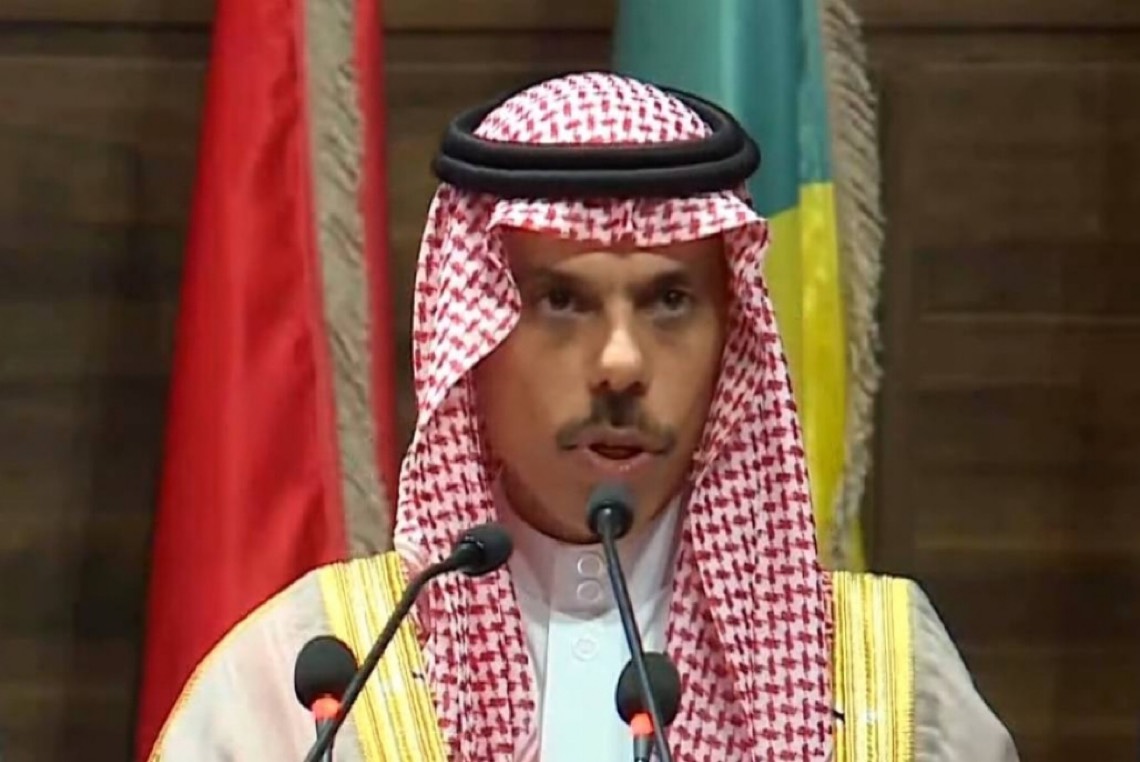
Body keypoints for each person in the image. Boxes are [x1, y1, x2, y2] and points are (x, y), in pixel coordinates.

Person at [147, 71, 1019, 762]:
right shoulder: (306, 683)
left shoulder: (884, 688)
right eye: (561, 302)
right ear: (473, 341)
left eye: (670, 300)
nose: (622, 363)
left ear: (731, 336)